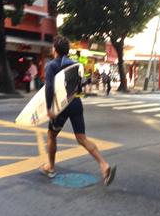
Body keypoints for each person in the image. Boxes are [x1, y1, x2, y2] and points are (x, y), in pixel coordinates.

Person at [38, 36, 116, 186]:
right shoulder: (76, 64)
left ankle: (51, 167)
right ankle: (104, 165)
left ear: (54, 49)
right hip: (76, 103)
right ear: (67, 51)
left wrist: (48, 108)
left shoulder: (51, 66)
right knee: (82, 138)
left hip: (62, 106)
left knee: (51, 135)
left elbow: (49, 87)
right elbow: (81, 85)